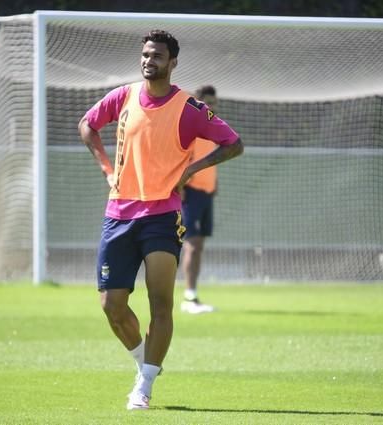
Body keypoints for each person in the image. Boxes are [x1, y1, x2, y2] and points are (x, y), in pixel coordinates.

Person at [78, 29, 243, 410]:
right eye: (145, 54)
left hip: (163, 216)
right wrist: (106, 168)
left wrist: (192, 170)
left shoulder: (189, 107)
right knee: (111, 306)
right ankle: (143, 363)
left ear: (173, 63)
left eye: (157, 56)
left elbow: (234, 143)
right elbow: (87, 124)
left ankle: (145, 386)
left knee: (161, 305)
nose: (148, 60)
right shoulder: (123, 96)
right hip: (118, 213)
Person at [180, 85, 221, 314]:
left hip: (206, 194)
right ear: (198, 103)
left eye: (215, 103)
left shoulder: (213, 129)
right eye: (208, 103)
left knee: (199, 245)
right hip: (191, 193)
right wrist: (181, 188)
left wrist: (216, 184)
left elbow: (211, 160)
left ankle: (193, 295)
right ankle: (189, 297)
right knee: (192, 245)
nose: (212, 107)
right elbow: (181, 159)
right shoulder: (191, 129)